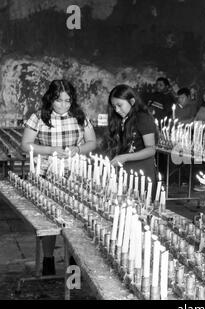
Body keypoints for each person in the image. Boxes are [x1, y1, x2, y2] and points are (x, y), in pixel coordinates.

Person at [21, 79, 97, 275]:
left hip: (74, 174)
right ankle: (48, 259)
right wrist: (51, 150)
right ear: (50, 99)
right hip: (47, 173)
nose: (63, 105)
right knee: (50, 219)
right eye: (59, 100)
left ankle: (73, 261)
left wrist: (77, 149)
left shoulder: (79, 117)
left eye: (68, 101)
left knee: (76, 218)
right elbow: (26, 144)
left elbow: (92, 142)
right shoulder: (38, 117)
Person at [106, 84, 159, 195]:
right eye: (114, 106)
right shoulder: (122, 119)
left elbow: (151, 149)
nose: (116, 110)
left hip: (141, 171)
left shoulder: (143, 118)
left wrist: (125, 157)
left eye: (119, 105)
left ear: (132, 101)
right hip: (126, 170)